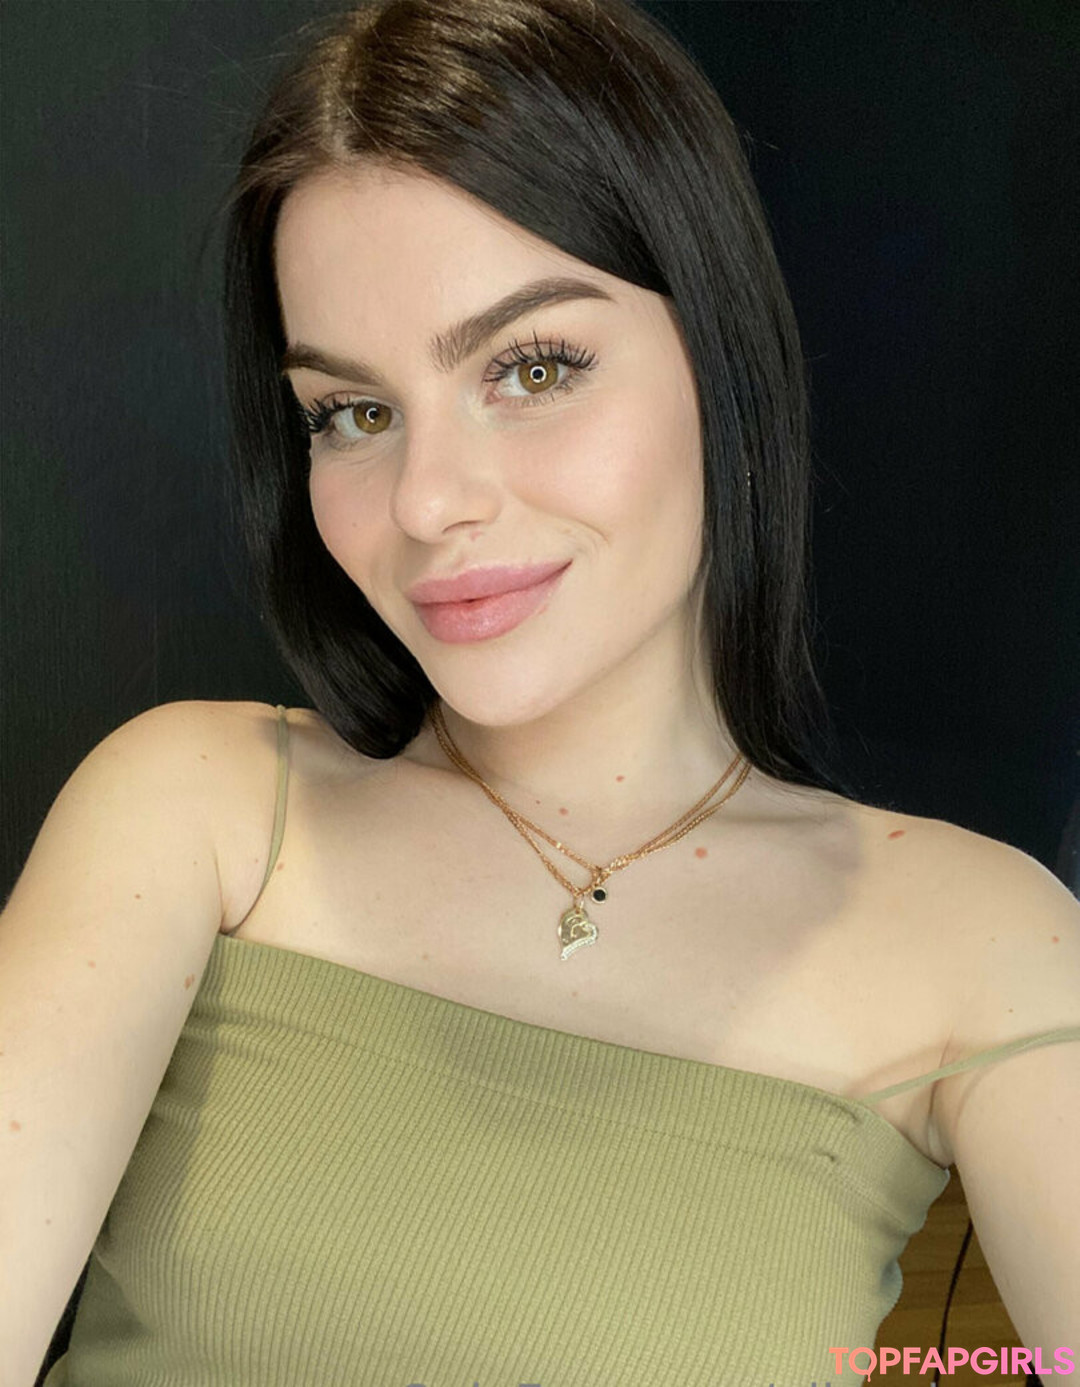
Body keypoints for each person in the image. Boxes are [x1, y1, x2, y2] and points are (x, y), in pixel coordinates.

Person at [4, 1, 1078, 1383]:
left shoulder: (978, 941)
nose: (428, 501)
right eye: (353, 413)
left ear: (720, 362)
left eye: (531, 367)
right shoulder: (196, 810)